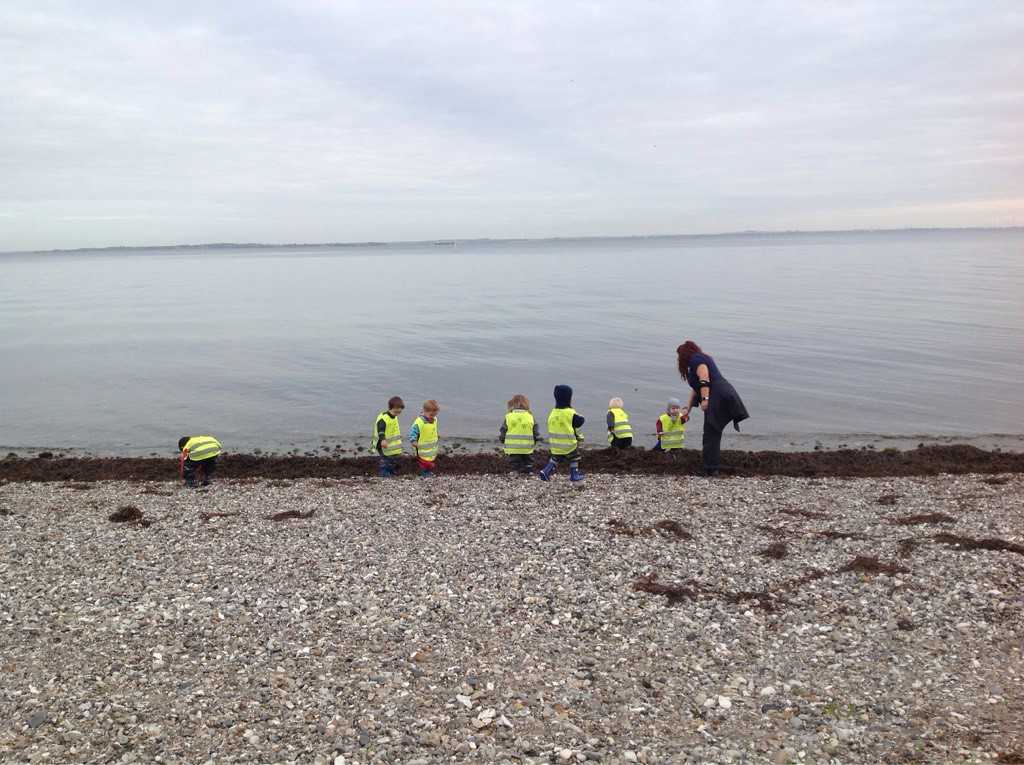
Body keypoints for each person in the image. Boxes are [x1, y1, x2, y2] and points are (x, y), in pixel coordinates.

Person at [677, 340, 749, 476]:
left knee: (711, 432)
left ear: (685, 354)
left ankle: (710, 468)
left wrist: (705, 399)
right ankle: (711, 467)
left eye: (679, 356)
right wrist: (687, 409)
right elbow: (696, 388)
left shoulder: (697, 359)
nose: (678, 359)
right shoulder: (696, 361)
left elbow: (704, 378)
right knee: (712, 432)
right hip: (718, 394)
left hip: (719, 395)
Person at [539, 384, 585, 482]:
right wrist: (581, 416)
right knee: (575, 457)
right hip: (568, 444)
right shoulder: (569, 412)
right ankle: (574, 474)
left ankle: (546, 471)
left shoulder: (553, 412)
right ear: (569, 398)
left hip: (555, 444)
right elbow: (580, 421)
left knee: (556, 458)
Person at [500, 394, 540, 474]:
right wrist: (534, 441)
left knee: (514, 460)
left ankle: (515, 470)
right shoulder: (530, 417)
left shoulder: (509, 416)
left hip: (513, 447)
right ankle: (529, 469)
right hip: (527, 446)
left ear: (512, 404)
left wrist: (503, 440)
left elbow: (503, 430)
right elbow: (535, 432)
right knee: (528, 459)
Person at [372, 396, 405, 477]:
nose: (399, 410)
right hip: (381, 443)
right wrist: (383, 440)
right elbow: (381, 430)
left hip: (391, 444)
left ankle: (391, 471)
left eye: (400, 408)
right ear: (391, 407)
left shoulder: (394, 417)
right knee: (385, 458)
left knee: (393, 457)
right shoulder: (384, 418)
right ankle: (383, 472)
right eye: (397, 408)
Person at [409, 399, 440, 477]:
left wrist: (436, 435)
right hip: (422, 447)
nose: (432, 417)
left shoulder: (434, 419)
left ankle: (428, 471)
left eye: (434, 414)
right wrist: (413, 441)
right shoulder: (420, 422)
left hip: (431, 447)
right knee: (423, 461)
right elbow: (413, 432)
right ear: (424, 411)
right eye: (431, 415)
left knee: (430, 458)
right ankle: (424, 473)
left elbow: (433, 428)